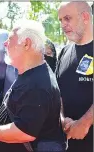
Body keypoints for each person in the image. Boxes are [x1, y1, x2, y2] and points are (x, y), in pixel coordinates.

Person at [0, 20, 67, 152]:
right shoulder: (30, 74)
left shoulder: (37, 84)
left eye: (9, 40)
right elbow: (18, 115)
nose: (4, 44)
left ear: (26, 44)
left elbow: (24, 131)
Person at [57, 2, 93, 152]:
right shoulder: (64, 52)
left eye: (67, 18)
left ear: (85, 17)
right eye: (60, 20)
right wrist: (62, 118)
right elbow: (57, 91)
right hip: (68, 144)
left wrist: (85, 122)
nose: (63, 25)